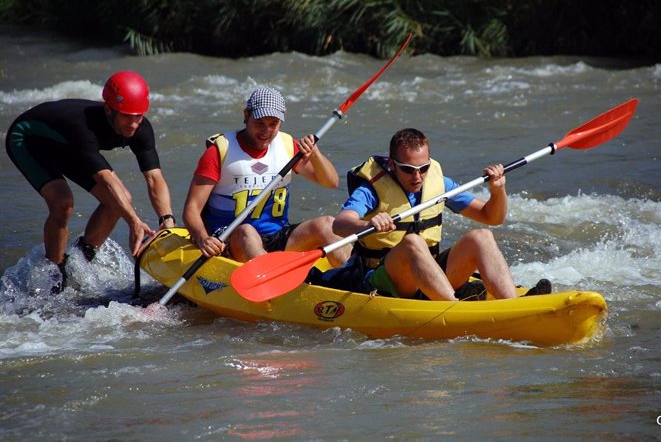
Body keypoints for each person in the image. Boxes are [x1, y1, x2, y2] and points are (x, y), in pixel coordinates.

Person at [313, 127, 550, 301]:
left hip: (429, 275)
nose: (417, 177)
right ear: (392, 165)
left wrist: (498, 191)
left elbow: (492, 217)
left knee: (481, 236)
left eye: (423, 168)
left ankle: (512, 307)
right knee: (413, 243)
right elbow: (340, 224)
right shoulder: (372, 188)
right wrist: (366, 223)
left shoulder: (438, 183)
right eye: (408, 170)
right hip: (385, 279)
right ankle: (453, 310)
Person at [5, 71, 175, 292]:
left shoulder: (141, 128)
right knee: (63, 202)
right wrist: (134, 222)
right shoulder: (83, 127)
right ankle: (55, 275)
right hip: (29, 139)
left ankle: (80, 258)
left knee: (122, 200)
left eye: (138, 116)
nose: (133, 124)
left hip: (68, 146)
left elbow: (154, 178)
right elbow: (104, 179)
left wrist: (168, 221)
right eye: (126, 116)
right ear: (108, 110)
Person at [182, 87, 350, 267]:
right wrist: (203, 239)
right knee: (247, 231)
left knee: (326, 224)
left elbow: (331, 182)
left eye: (273, 124)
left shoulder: (287, 146)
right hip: (230, 241)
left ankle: (355, 279)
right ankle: (273, 283)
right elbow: (191, 209)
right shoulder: (219, 152)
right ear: (246, 115)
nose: (266, 131)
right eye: (259, 122)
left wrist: (315, 154)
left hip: (276, 236)